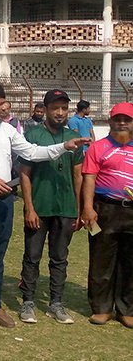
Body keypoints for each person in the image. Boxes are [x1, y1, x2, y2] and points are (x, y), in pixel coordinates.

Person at [0, 83, 89, 331]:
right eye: (0, 103)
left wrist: (63, 147)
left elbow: (32, 152)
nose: (6, 106)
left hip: (4, 202)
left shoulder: (6, 130)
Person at [17, 89, 83, 325]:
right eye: (55, 107)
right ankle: (28, 302)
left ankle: (56, 303)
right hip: (40, 206)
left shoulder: (74, 135)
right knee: (32, 256)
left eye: (64, 108)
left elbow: (78, 176)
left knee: (60, 258)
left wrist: (79, 208)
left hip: (65, 208)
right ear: (44, 109)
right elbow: (24, 174)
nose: (60, 112)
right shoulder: (33, 134)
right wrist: (29, 208)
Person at [80, 102, 133, 327]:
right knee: (102, 259)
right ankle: (101, 308)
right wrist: (88, 207)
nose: (122, 123)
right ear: (110, 121)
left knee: (130, 262)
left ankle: (127, 309)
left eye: (127, 119)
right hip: (105, 209)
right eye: (117, 119)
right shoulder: (98, 147)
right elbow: (89, 178)